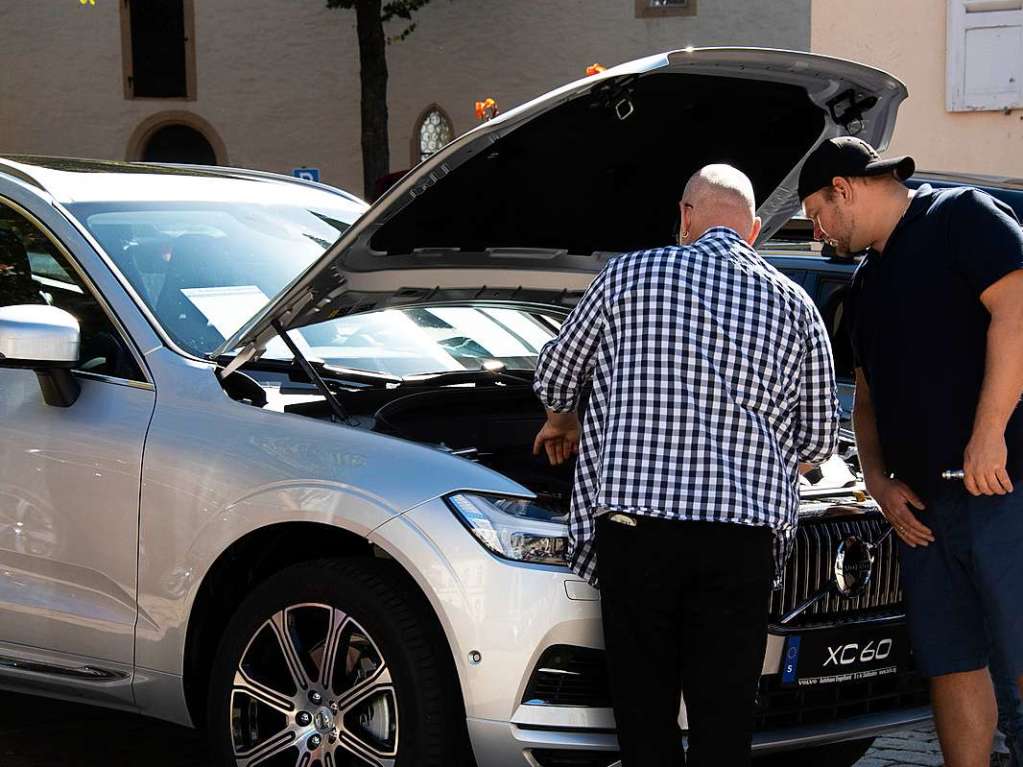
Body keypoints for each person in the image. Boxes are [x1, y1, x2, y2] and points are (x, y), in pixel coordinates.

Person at [531, 164, 839, 767]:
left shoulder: (626, 275)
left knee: (644, 710)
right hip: (741, 540)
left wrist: (564, 421)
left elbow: (556, 375)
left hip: (637, 534)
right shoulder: (795, 302)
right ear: (752, 229)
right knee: (724, 715)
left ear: (684, 217)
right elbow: (818, 439)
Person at [798, 136, 1023, 767]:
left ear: (844, 189)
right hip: (923, 510)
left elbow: (1018, 313)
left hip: (1005, 488)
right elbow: (865, 395)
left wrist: (989, 434)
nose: (818, 234)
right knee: (951, 662)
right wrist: (877, 479)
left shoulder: (963, 216)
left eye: (817, 213)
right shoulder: (865, 281)